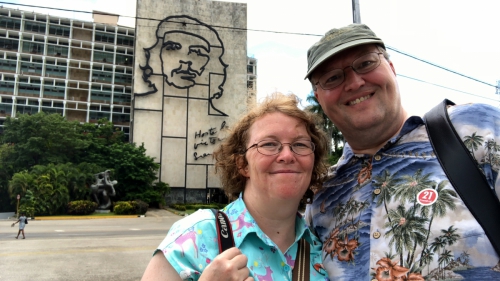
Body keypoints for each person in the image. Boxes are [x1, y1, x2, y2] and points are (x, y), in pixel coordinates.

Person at [304, 23, 500, 280]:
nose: (354, 82)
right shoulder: (320, 196)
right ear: (319, 97)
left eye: (365, 63)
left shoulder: (476, 129)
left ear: (392, 68)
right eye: (332, 78)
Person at [141, 93, 330, 281]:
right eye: (269, 144)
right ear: (242, 165)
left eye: (300, 144)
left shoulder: (325, 250)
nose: (287, 155)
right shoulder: (196, 236)